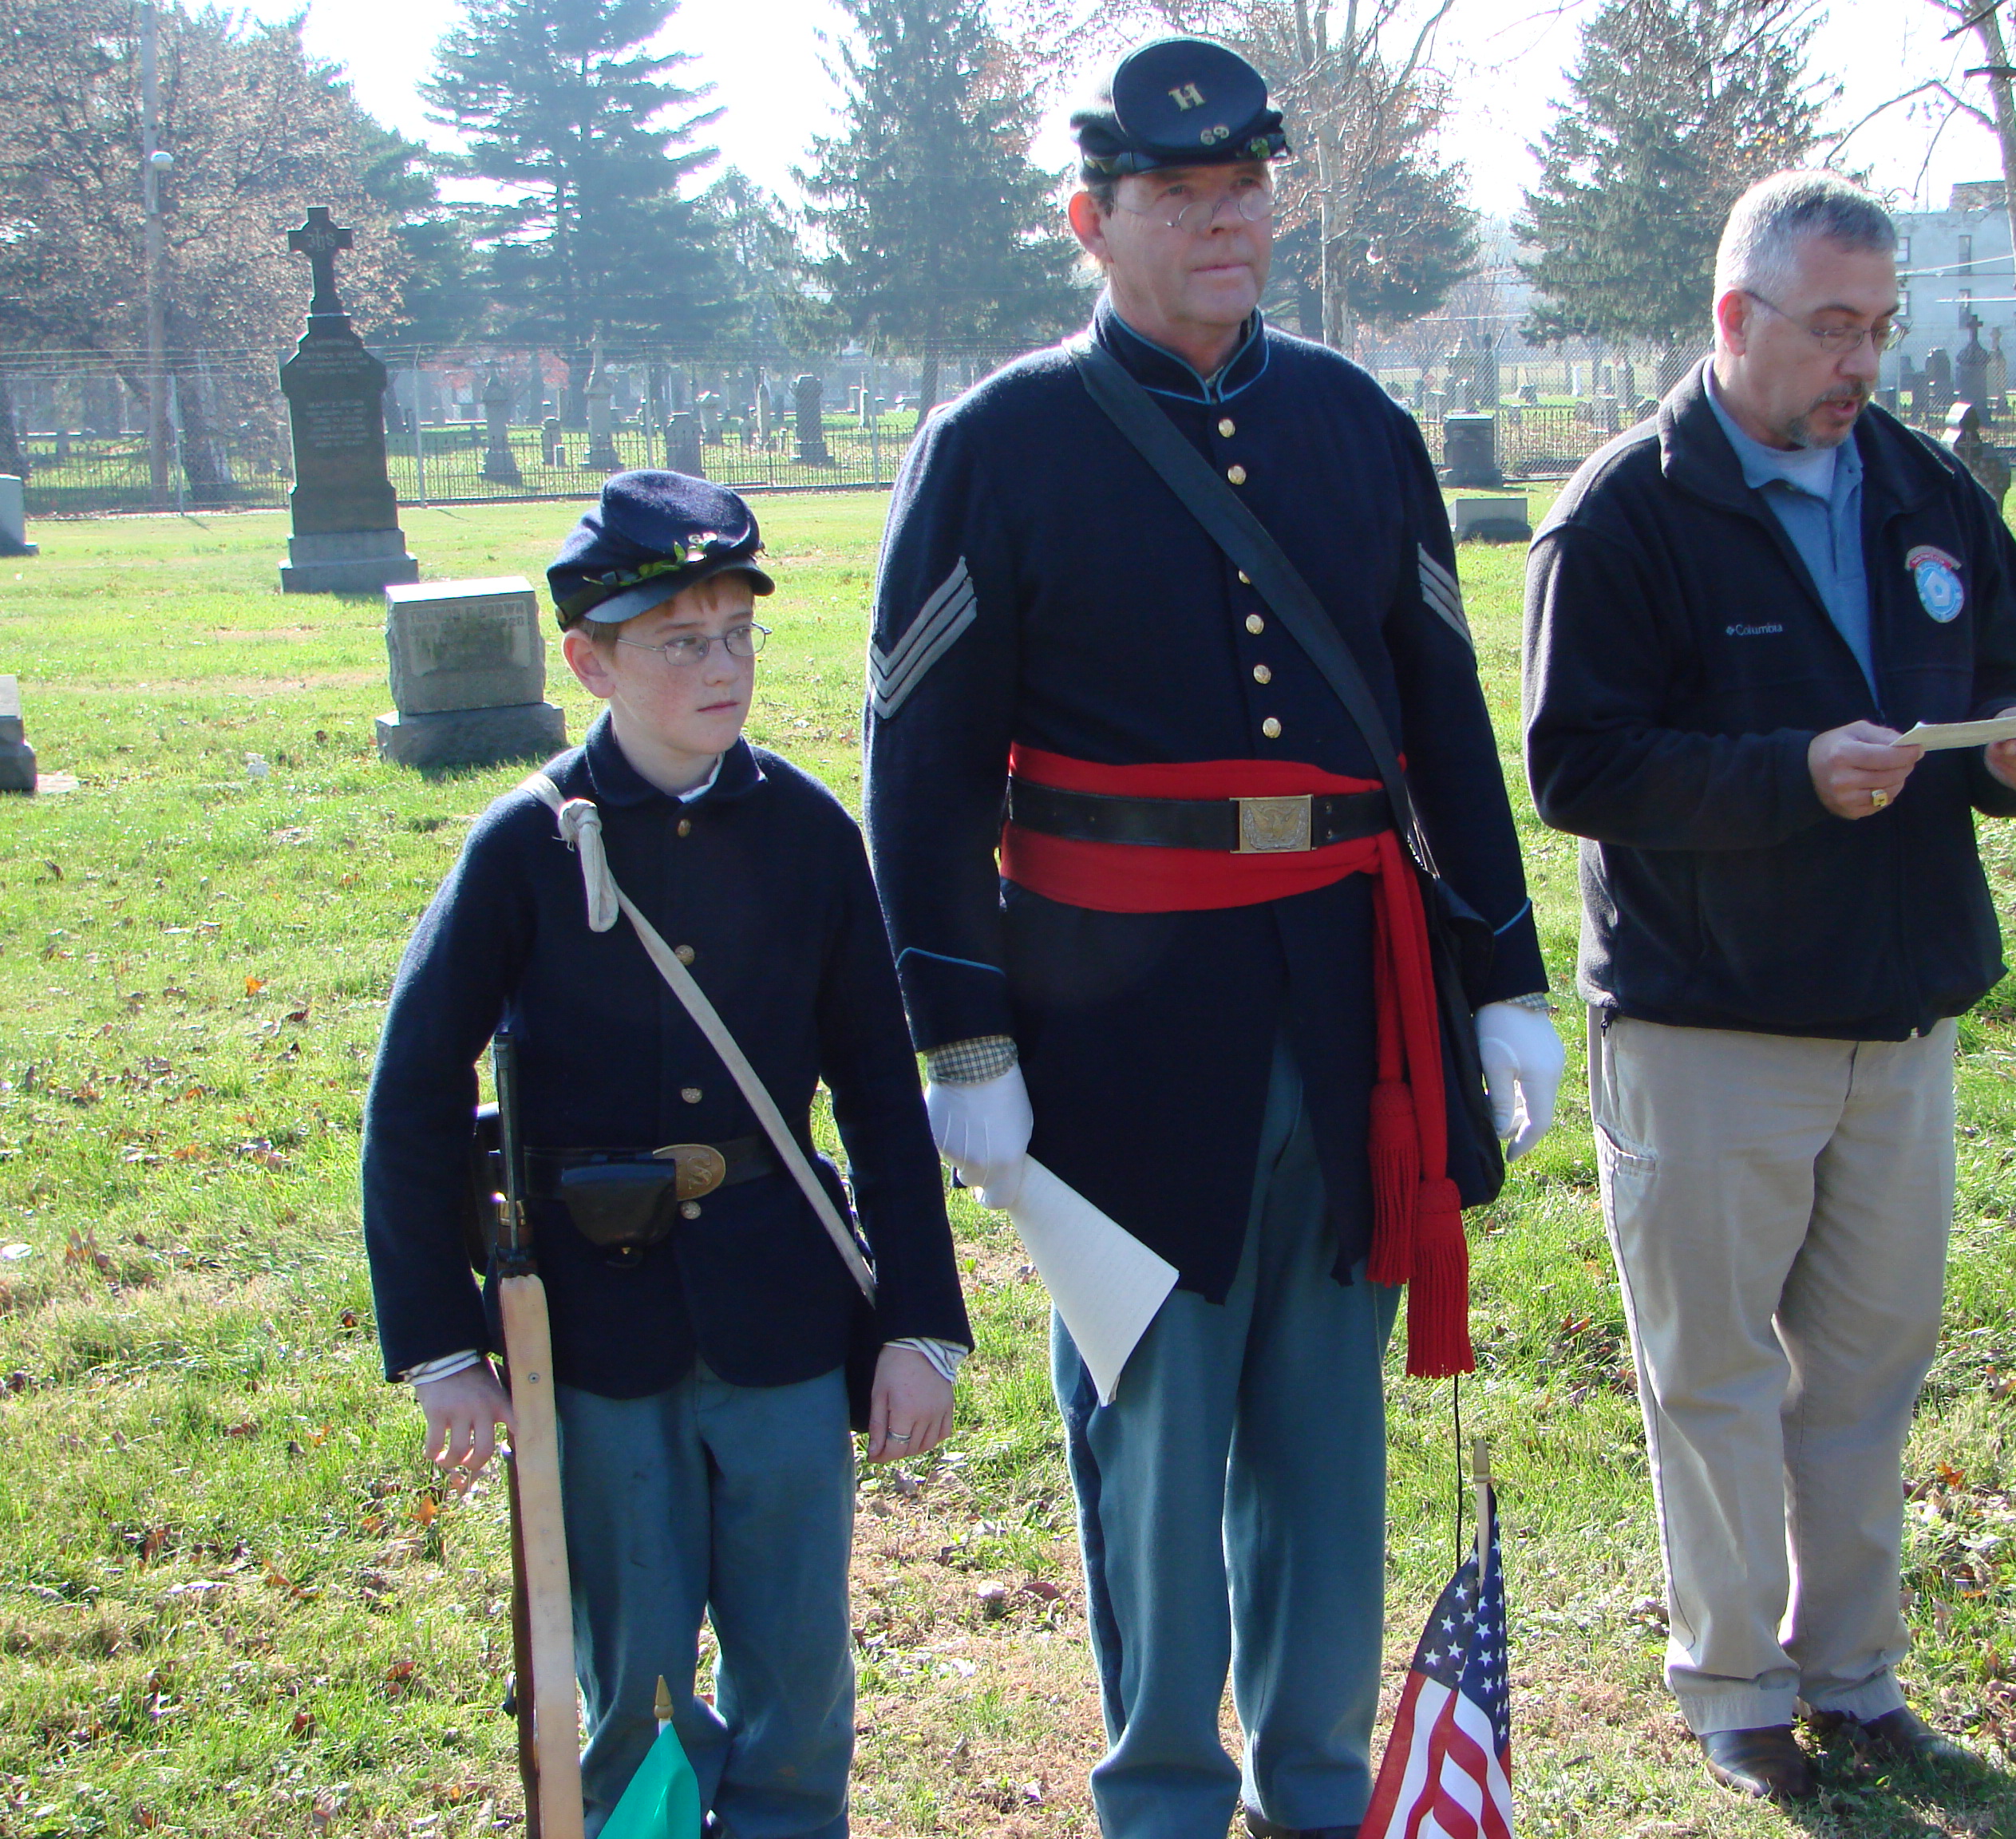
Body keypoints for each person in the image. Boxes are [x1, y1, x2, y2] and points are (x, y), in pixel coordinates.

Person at [860, 38, 1563, 1839]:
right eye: (1178, 196)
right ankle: (1165, 1792)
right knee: (1157, 1434)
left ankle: (1313, 1785)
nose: (1222, 223)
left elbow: (1441, 720)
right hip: (1113, 1028)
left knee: (1326, 1431)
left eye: (1244, 188)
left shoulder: (1358, 426)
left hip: (1346, 1000)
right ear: (1091, 221)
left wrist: (1503, 974)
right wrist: (964, 1042)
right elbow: (922, 776)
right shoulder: (996, 446)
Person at [1521, 172, 2016, 1801]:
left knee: (1867, 1370)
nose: (1862, 363)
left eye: (1880, 328)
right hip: (1708, 1023)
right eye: (1834, 328)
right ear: (1735, 318)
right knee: (1715, 1378)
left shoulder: (1921, 484)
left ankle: (1854, 1673)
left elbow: (2003, 663)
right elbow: (1577, 763)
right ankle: (1735, 1687)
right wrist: (1789, 775)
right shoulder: (1624, 514)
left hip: (1897, 1013)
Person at [362, 471, 972, 1839]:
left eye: (738, 633)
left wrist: (920, 1326)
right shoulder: (524, 846)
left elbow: (881, 1096)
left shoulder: (809, 831)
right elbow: (410, 1098)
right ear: (590, 661)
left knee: (800, 1674)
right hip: (596, 1329)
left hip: (780, 1311)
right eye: (680, 641)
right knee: (633, 1684)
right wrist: (442, 1348)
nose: (722, 668)